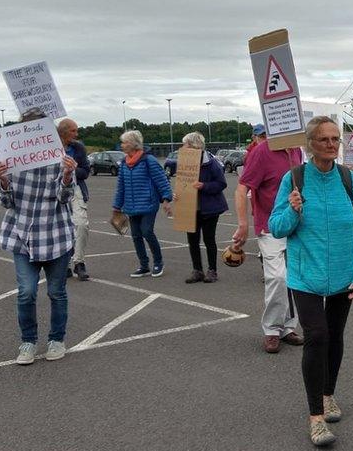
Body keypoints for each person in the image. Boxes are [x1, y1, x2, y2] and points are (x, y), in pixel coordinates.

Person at [269, 116, 353, 446]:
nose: (331, 144)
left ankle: (329, 394)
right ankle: (315, 418)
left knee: (336, 335)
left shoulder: (348, 178)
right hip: (305, 275)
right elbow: (277, 228)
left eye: (335, 139)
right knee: (317, 336)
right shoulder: (295, 178)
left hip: (344, 273)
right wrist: (294, 210)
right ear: (310, 144)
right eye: (324, 139)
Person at [0, 109, 78, 364]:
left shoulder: (58, 157)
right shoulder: (11, 161)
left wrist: (66, 176)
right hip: (22, 236)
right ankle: (28, 342)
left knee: (56, 292)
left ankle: (56, 339)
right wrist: (4, 182)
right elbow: (7, 203)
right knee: (26, 292)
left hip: (55, 236)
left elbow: (65, 198)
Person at [232, 124, 305, 353]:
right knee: (277, 277)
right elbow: (242, 189)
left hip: (294, 224)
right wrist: (243, 224)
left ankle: (287, 328)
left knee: (292, 277)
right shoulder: (262, 152)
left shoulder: (296, 152)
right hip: (269, 226)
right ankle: (272, 330)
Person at [113, 130, 173, 278]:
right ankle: (144, 265)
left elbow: (162, 180)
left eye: (125, 142)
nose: (122, 145)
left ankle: (158, 262)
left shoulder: (149, 160)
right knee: (136, 236)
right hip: (131, 207)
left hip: (148, 204)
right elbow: (121, 187)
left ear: (134, 144)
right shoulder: (124, 164)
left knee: (147, 231)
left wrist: (166, 199)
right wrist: (116, 206)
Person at [178, 132, 228, 283]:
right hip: (191, 208)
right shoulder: (185, 163)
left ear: (194, 146)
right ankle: (197, 270)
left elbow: (221, 184)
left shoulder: (211, 163)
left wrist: (204, 186)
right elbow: (182, 184)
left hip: (210, 209)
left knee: (209, 239)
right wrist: (177, 195)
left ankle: (212, 271)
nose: (183, 148)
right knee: (192, 240)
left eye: (185, 145)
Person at [57, 118, 91, 281]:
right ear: (63, 131)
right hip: (55, 189)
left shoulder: (78, 148)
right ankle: (64, 264)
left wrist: (71, 171)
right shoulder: (50, 148)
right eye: (73, 131)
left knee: (81, 224)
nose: (76, 134)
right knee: (61, 228)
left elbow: (86, 171)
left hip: (76, 188)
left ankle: (79, 262)